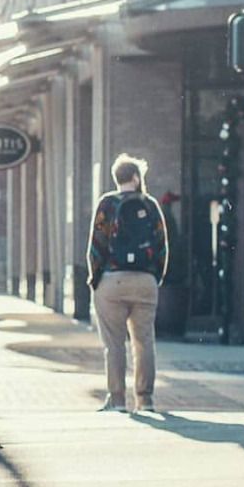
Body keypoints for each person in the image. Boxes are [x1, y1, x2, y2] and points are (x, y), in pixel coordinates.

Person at [88, 153, 168, 414]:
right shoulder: (151, 204)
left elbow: (96, 245)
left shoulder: (107, 204)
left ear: (117, 178)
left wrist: (95, 277)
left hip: (112, 280)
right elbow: (162, 245)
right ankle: (145, 400)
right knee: (144, 341)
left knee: (114, 343)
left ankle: (118, 400)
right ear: (136, 177)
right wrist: (155, 277)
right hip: (145, 281)